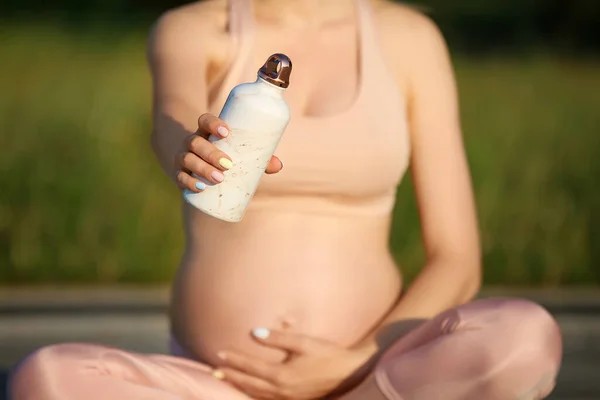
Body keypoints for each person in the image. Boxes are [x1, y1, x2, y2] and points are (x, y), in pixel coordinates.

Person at [8, 0, 562, 399]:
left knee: (523, 339)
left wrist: (358, 363)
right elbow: (169, 121)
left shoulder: (409, 38)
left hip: (376, 377)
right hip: (217, 385)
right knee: (46, 380)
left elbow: (456, 256)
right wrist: (189, 149)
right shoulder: (196, 27)